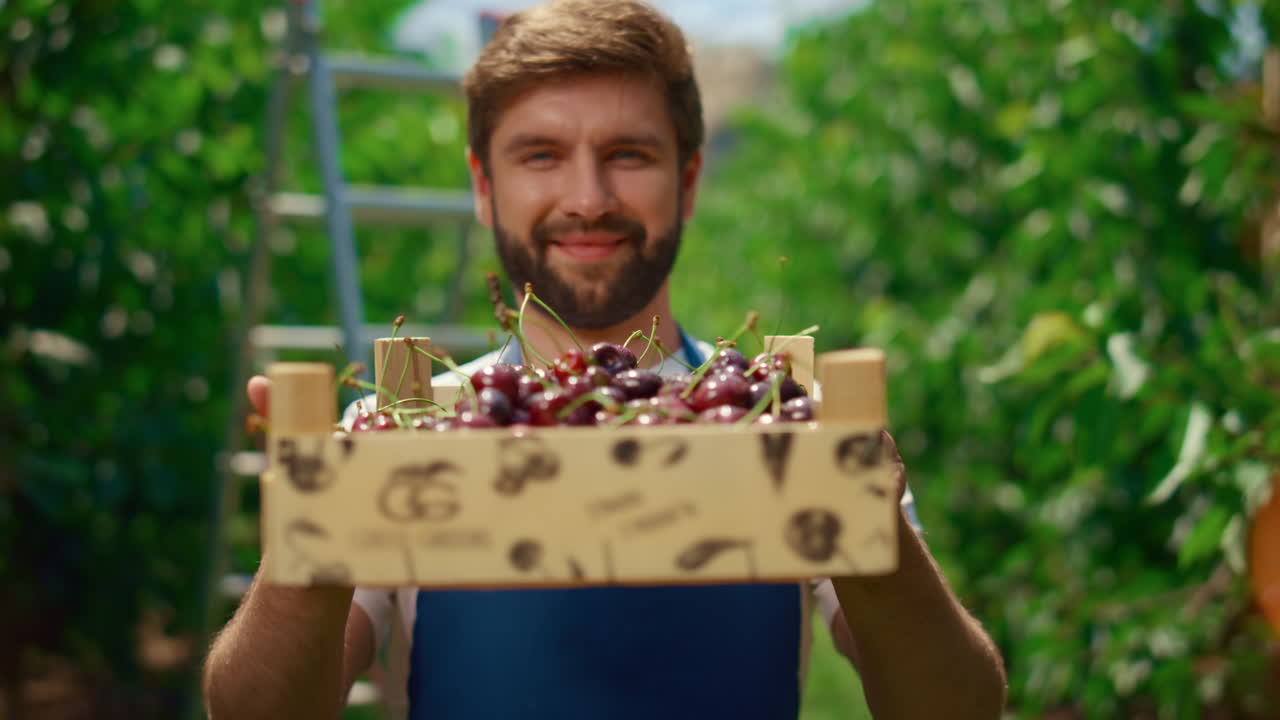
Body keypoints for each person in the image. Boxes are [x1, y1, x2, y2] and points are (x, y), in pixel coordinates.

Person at [202, 1, 1008, 718]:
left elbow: (956, 707)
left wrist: (875, 526)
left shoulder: (784, 421)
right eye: (541, 155)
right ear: (484, 188)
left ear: (688, 183)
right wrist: (308, 544)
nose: (588, 198)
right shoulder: (406, 430)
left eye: (628, 153)